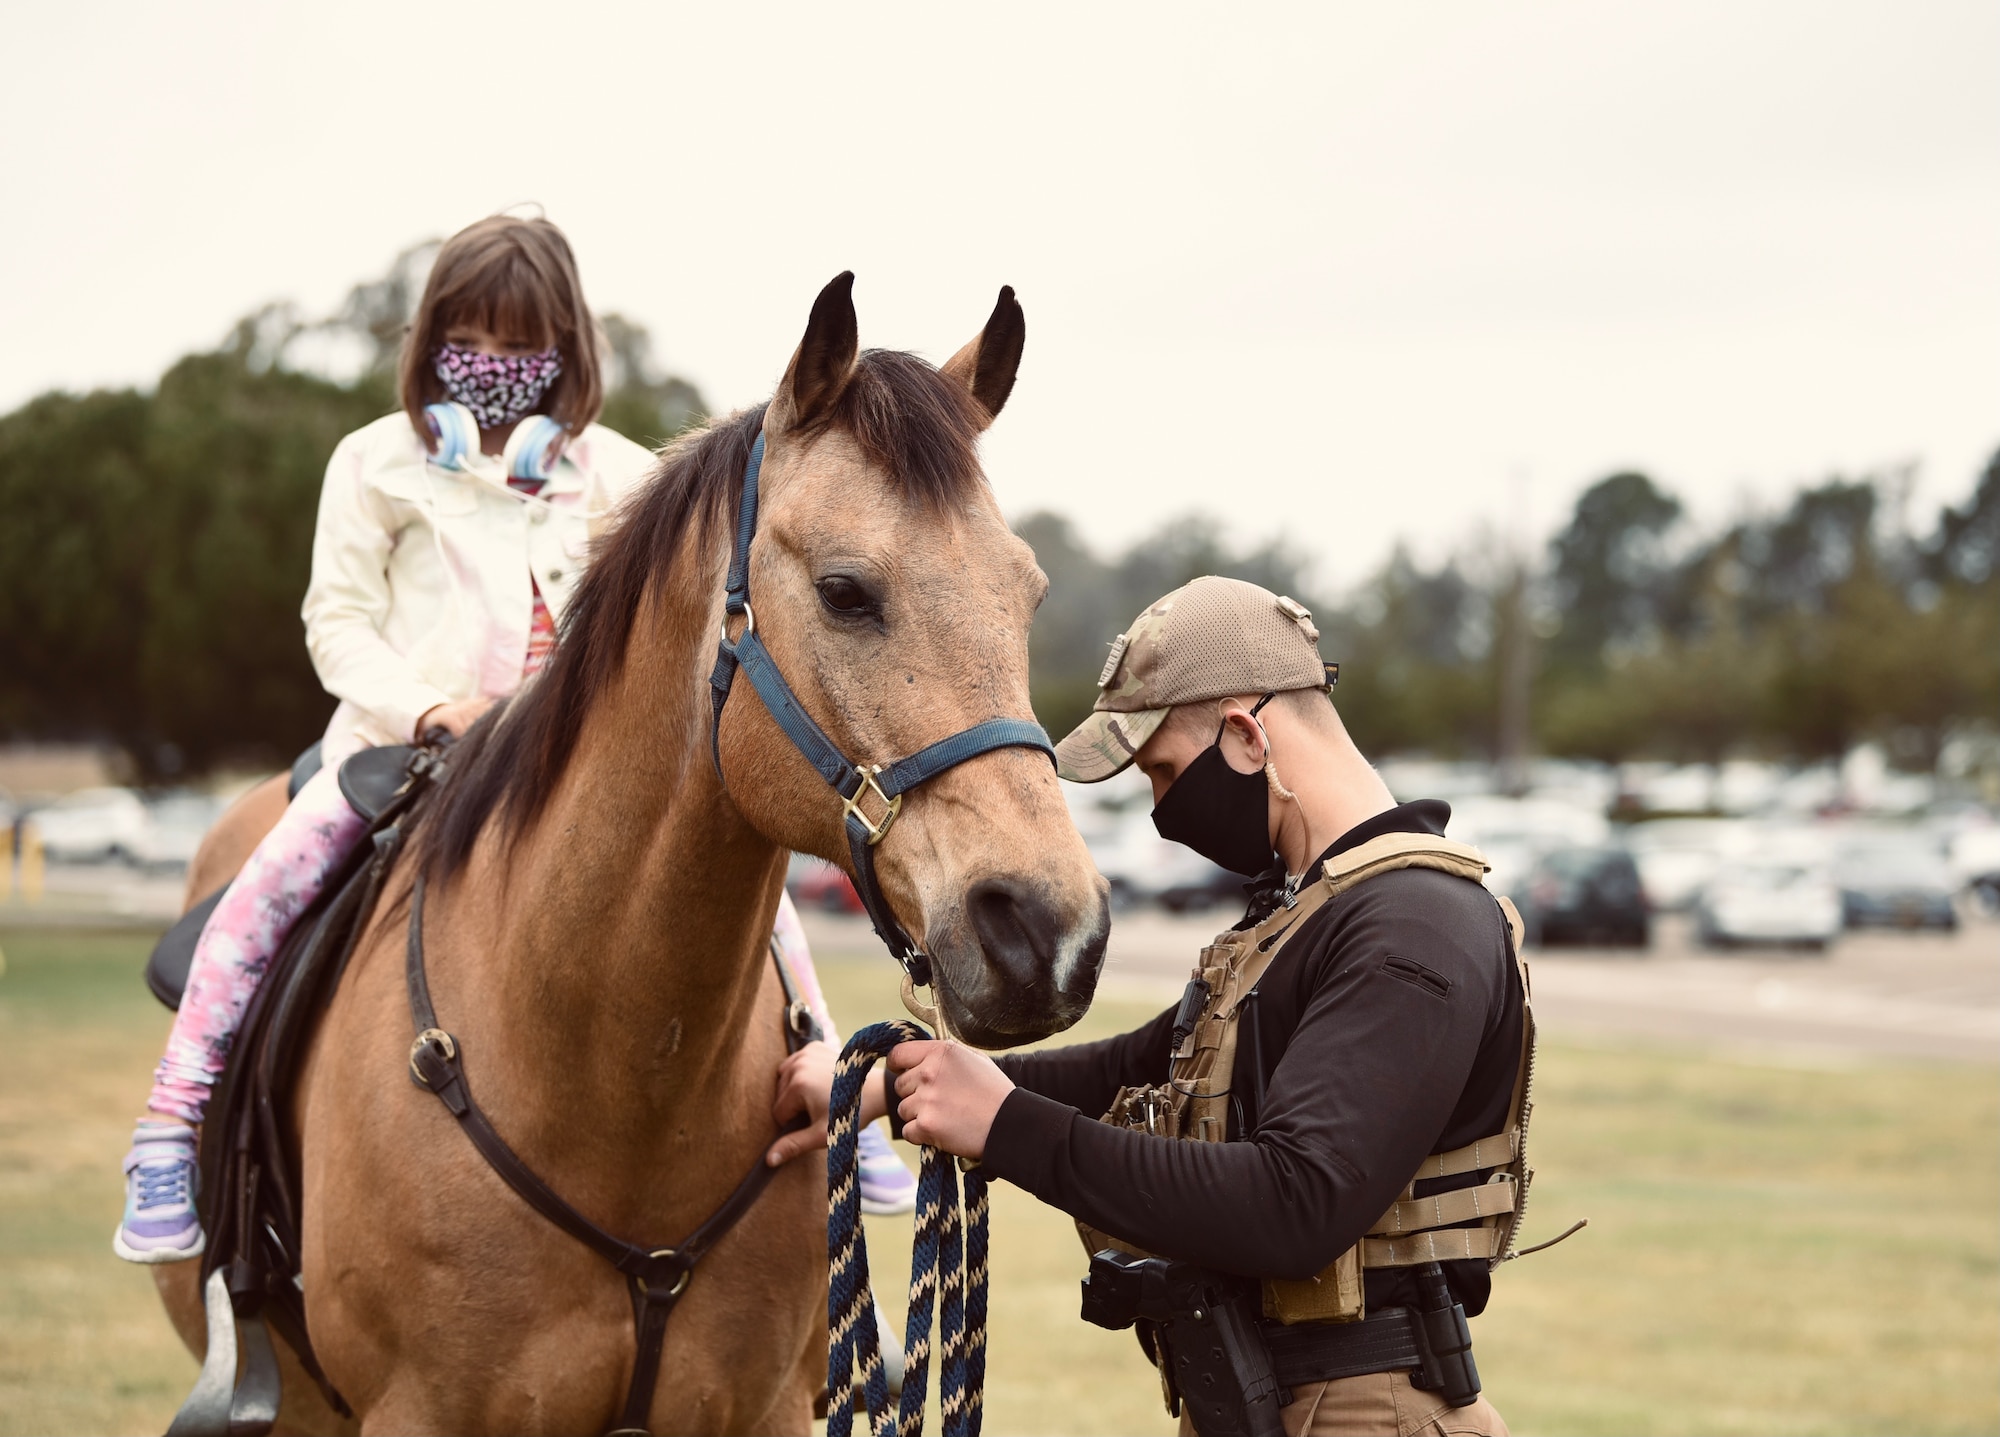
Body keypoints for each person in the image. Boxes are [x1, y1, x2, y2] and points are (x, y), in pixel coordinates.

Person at [116, 214, 913, 1265]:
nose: (491, 367)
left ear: (564, 354)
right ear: (432, 343)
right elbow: (336, 622)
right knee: (266, 889)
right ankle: (172, 1125)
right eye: (469, 343)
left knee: (766, 915)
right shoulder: (374, 462)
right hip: (399, 753)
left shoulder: (620, 474)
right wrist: (422, 708)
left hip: (561, 767)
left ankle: (823, 1068)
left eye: (516, 348)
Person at [773, 576, 1535, 1437]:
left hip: (1364, 1411)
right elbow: (1141, 1065)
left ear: (1248, 737)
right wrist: (900, 1089)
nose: (1163, 810)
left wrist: (1007, 1124)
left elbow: (1298, 1203)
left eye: (1164, 769)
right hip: (1267, 1405)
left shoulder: (1415, 922)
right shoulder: (1310, 912)